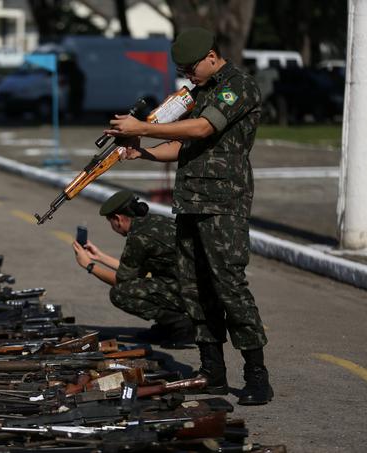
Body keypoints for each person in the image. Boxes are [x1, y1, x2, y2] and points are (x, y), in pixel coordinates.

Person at [103, 28, 273, 405]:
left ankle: (256, 374)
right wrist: (141, 151)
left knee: (229, 288)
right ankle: (213, 371)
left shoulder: (236, 86)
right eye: (181, 69)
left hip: (222, 205)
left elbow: (203, 127)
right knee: (195, 289)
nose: (187, 75)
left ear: (212, 56)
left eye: (190, 67)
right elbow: (181, 145)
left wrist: (143, 127)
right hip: (191, 203)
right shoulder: (200, 91)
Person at [71, 190, 194, 348]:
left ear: (118, 219)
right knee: (145, 283)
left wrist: (89, 265)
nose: (112, 226)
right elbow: (134, 271)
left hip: (191, 291)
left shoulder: (138, 237)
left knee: (121, 293)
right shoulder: (152, 221)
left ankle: (181, 325)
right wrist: (99, 257)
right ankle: (167, 327)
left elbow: (121, 281)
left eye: (111, 222)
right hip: (193, 284)